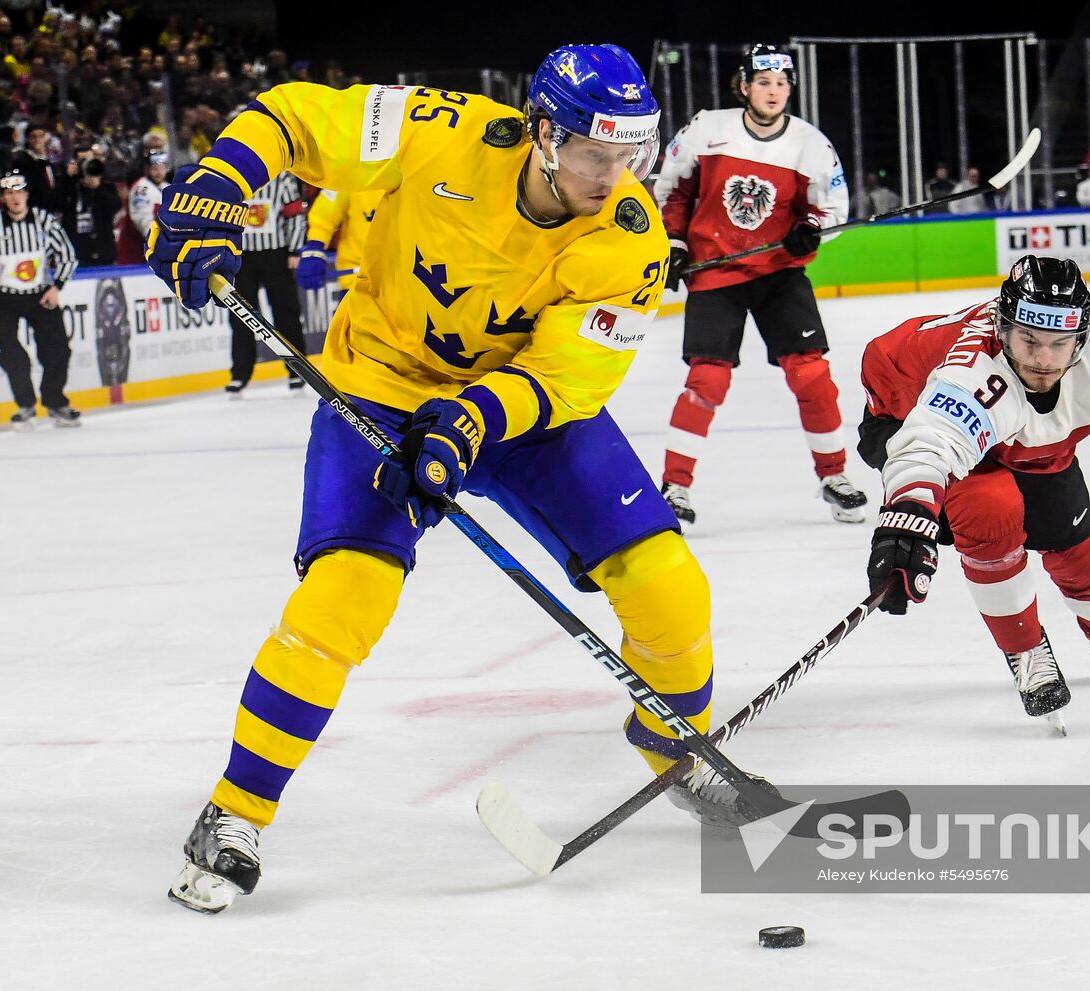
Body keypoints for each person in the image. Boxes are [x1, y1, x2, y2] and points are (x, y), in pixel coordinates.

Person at [146, 43, 758, 914]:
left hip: (517, 409)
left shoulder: (632, 239)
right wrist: (220, 186)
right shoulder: (443, 130)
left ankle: (674, 747)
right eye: (597, 154)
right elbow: (290, 115)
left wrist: (471, 422)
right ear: (544, 134)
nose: (616, 175)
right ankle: (235, 809)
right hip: (383, 386)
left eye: (633, 155)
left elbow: (568, 377)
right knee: (344, 597)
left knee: (669, 585)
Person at [858, 255, 1090, 723]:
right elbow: (927, 445)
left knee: (1073, 539)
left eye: (1059, 344)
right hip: (906, 405)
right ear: (1002, 329)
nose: (1042, 359)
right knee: (990, 511)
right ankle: (1024, 649)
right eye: (1029, 340)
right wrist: (906, 523)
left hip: (1025, 441)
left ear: (1084, 334)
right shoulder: (975, 373)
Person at [653, 43, 867, 526]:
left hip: (779, 274)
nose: (774, 91)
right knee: (707, 380)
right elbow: (673, 190)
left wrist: (810, 229)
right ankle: (675, 486)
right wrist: (675, 243)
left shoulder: (811, 144)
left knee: (812, 377)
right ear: (745, 86)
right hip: (716, 270)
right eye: (764, 82)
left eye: (782, 83)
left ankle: (834, 476)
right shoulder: (708, 128)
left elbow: (830, 208)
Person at [0, 170, 81, 429]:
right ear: (2, 198)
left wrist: (56, 287)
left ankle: (55, 401)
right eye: (9, 193)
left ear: (27, 194)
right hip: (4, 298)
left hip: (40, 295)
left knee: (59, 350)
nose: (15, 197)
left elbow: (67, 255)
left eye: (19, 192)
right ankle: (26, 405)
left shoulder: (44, 221)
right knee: (12, 354)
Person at [223, 171, 308, 393]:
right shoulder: (232, 176)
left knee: (286, 312)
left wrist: (294, 249)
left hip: (276, 253)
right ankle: (240, 373)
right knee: (240, 315)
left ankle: (298, 370)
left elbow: (295, 213)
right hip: (241, 256)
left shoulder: (282, 177)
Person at [293, 185, 385, 297]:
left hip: (402, 282)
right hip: (359, 281)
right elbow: (324, 214)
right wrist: (315, 245)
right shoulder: (352, 176)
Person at [57, 155, 119, 266]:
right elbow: (55, 204)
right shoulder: (70, 187)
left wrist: (98, 188)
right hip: (77, 255)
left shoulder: (107, 186)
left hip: (104, 253)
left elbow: (114, 207)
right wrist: (67, 177)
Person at [121, 150, 169, 264]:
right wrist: (163, 244)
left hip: (159, 253)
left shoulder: (167, 187)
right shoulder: (141, 189)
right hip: (137, 254)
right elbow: (143, 221)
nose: (159, 173)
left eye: (162, 168)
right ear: (147, 169)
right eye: (155, 169)